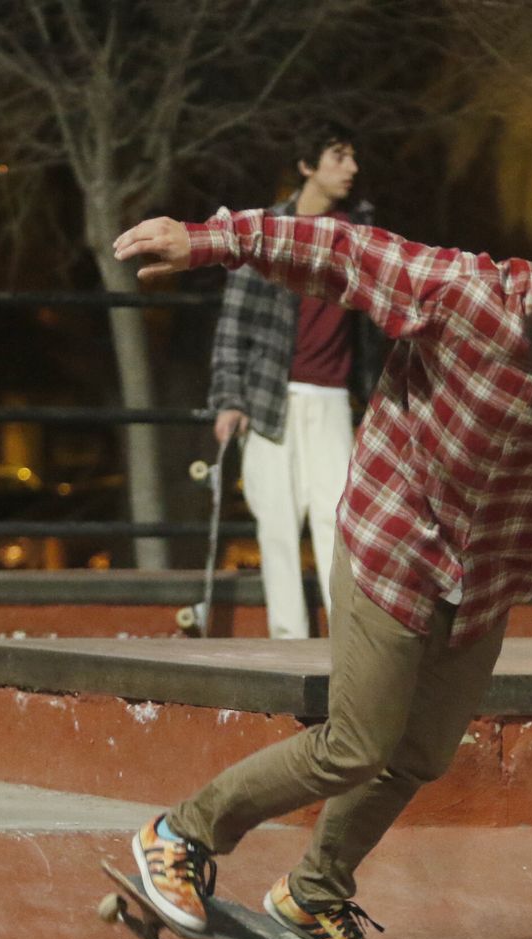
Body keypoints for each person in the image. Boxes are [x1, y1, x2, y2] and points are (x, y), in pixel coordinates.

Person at [112, 205, 532, 939]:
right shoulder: (465, 294)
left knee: (421, 753)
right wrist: (210, 242)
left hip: (488, 576)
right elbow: (340, 253)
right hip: (397, 533)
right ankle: (180, 834)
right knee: (356, 742)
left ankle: (312, 897)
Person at [208, 123, 379, 640]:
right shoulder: (267, 228)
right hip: (269, 395)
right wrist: (229, 398)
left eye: (352, 157)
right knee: (276, 525)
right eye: (337, 156)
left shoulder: (359, 232)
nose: (350, 168)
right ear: (307, 166)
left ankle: (349, 647)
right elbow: (233, 320)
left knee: (337, 523)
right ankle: (288, 641)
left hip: (332, 397)